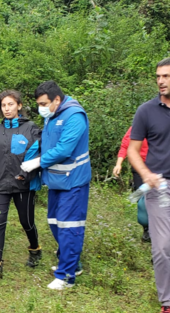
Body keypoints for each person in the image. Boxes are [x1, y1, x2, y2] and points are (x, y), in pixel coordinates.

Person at [21, 80, 91, 290]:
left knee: (70, 228)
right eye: (39, 104)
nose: (41, 108)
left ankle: (66, 276)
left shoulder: (74, 116)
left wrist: (37, 162)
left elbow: (64, 149)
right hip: (56, 181)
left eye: (44, 103)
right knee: (55, 223)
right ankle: (73, 263)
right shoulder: (53, 115)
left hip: (74, 182)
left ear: (57, 99)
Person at [0, 90, 42, 278]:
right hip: (0, 183)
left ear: (19, 106)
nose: (7, 109)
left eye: (10, 104)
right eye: (3, 105)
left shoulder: (31, 128)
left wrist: (25, 173)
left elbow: (38, 153)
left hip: (23, 183)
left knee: (26, 221)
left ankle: (35, 249)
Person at [128, 57, 170, 313]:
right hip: (159, 188)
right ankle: (167, 301)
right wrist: (145, 173)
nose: (161, 81)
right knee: (163, 247)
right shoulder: (146, 111)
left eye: (166, 76)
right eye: (158, 77)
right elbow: (133, 150)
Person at [112, 126, 150, 242]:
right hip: (139, 168)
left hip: (158, 167)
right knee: (142, 200)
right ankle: (146, 229)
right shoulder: (136, 128)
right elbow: (125, 146)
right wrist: (118, 164)